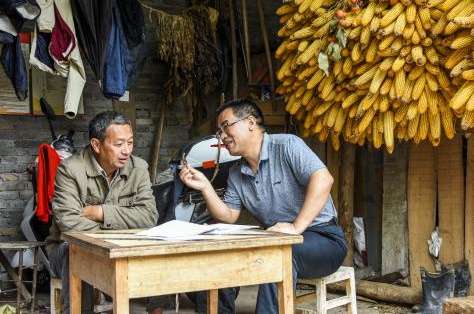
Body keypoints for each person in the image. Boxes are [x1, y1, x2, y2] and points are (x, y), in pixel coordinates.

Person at [179, 99, 347, 313]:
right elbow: (229, 215)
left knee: (275, 255)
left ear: (250, 122)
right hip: (277, 240)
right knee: (221, 253)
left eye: (225, 126)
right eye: (218, 131)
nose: (221, 136)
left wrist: (296, 227)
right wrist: (205, 186)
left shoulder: (287, 145)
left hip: (324, 239)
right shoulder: (236, 172)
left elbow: (324, 179)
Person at [46, 111, 158, 314]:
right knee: (78, 251)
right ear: (97, 145)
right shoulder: (70, 169)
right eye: (119, 144)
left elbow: (149, 217)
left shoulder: (139, 168)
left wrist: (101, 212)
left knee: (159, 249)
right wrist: (124, 224)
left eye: (130, 143)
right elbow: (70, 224)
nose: (126, 151)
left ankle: (156, 309)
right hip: (64, 250)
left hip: (121, 248)